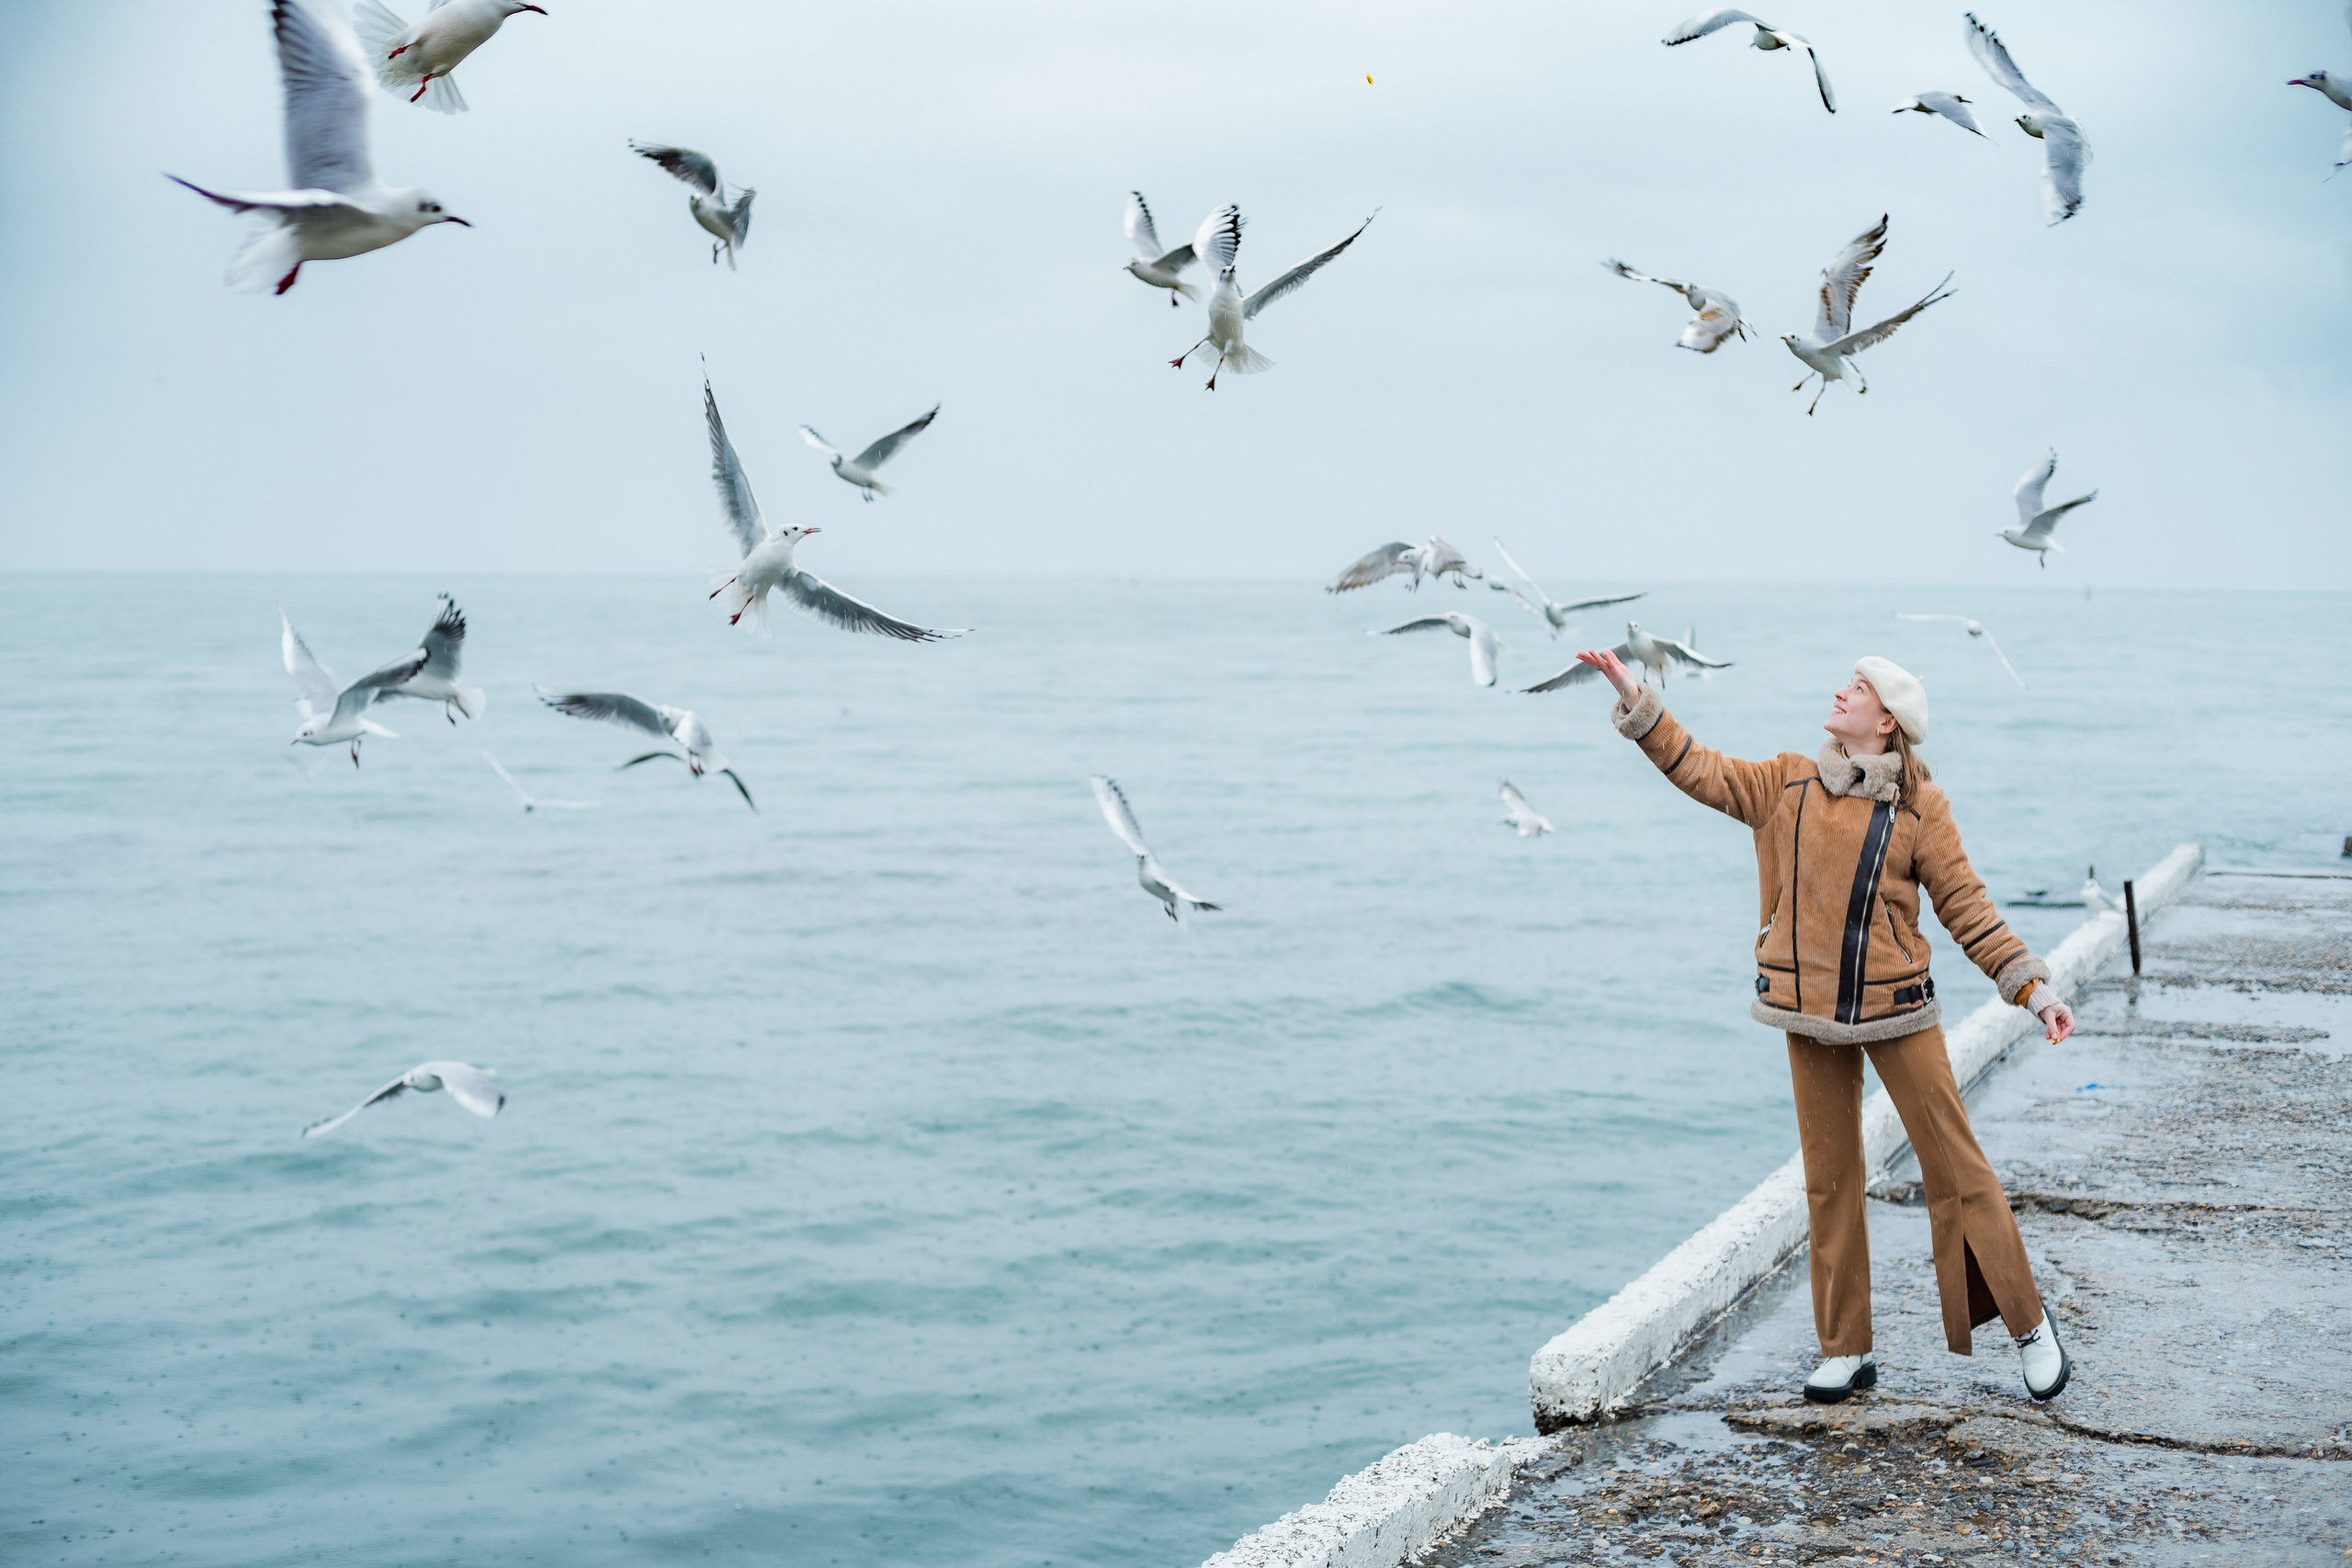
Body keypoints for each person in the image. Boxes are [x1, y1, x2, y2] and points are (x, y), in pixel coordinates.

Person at [1577, 647, 2075, 1404]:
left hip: (1899, 1010)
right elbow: (1700, 769)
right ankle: (1846, 1348)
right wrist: (1635, 698)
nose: (1840, 692)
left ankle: (2030, 1326)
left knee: (1958, 1173)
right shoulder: (1786, 781)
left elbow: (1967, 907)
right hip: (1806, 1011)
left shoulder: (1921, 809)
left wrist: (2032, 988)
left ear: (1886, 722)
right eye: (1847, 682)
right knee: (1831, 1181)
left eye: (1859, 688)